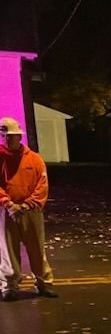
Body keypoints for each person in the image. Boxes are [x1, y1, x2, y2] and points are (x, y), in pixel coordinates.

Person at [0, 116, 55, 301]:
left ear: (19, 137)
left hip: (30, 211)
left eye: (12, 136)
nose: (8, 139)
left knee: (37, 248)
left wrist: (27, 204)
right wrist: (8, 204)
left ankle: (44, 283)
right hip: (6, 211)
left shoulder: (34, 159)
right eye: (5, 136)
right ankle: (9, 286)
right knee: (8, 250)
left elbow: (42, 185)